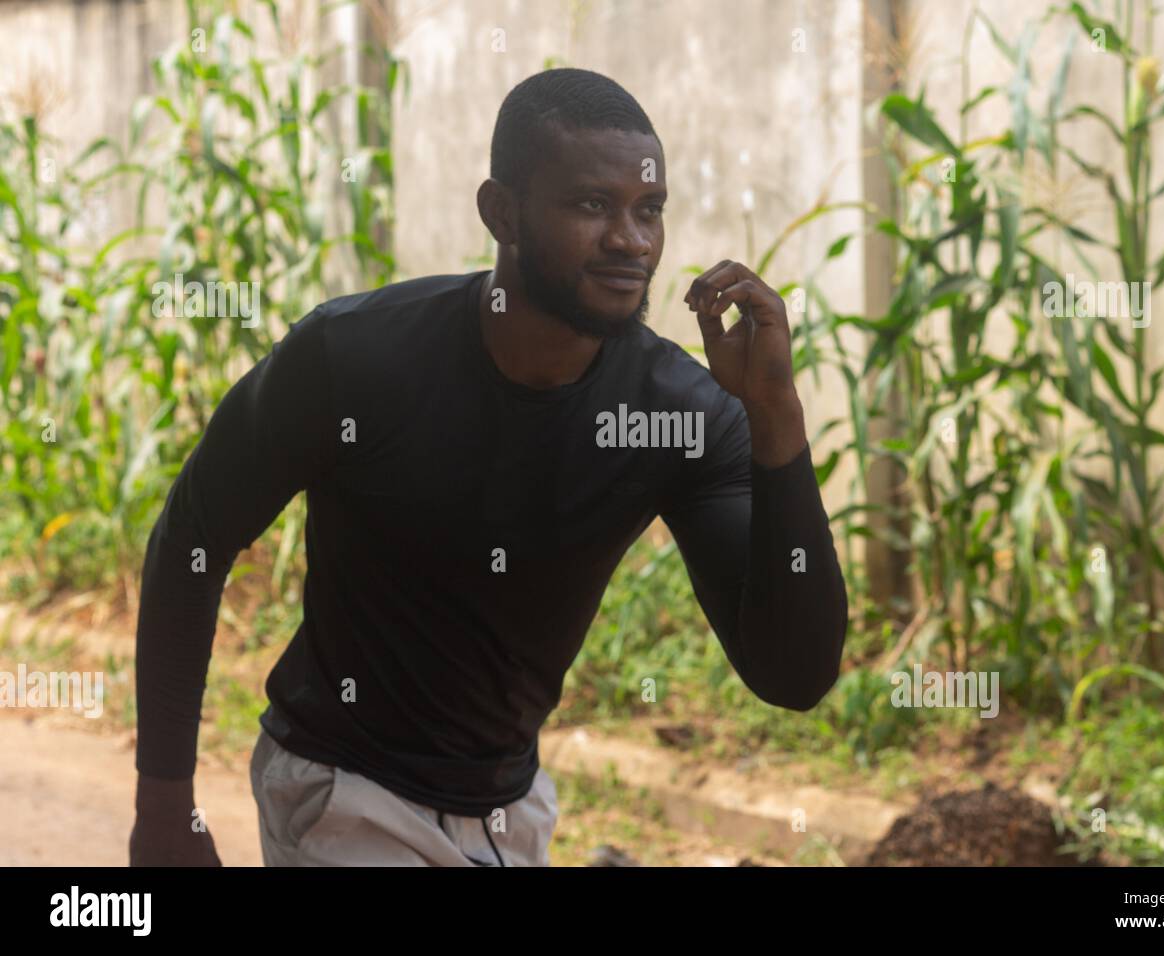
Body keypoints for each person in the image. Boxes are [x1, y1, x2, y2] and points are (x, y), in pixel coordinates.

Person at [128, 67, 848, 867]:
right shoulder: (355, 359)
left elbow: (793, 674)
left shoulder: (678, 409)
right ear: (501, 212)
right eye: (590, 205)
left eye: (649, 210)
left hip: (512, 810)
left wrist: (775, 414)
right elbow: (192, 539)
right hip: (343, 792)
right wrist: (164, 808)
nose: (630, 240)